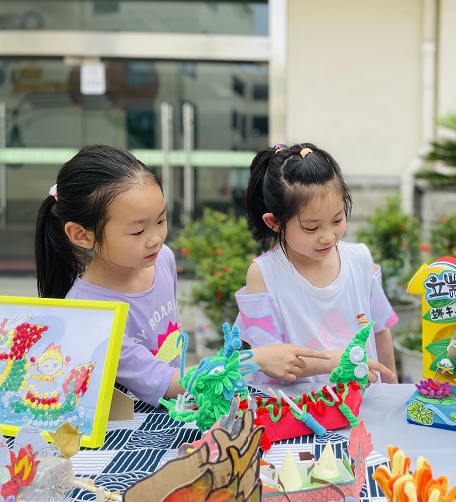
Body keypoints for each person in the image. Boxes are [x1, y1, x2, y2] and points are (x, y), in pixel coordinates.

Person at [35, 145, 331, 406]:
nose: (155, 239)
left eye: (161, 220)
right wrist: (254, 359)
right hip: (129, 430)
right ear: (81, 235)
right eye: (138, 231)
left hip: (176, 408)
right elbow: (162, 380)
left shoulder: (161, 260)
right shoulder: (90, 313)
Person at [235, 142, 399, 384]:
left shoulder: (360, 260)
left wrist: (392, 392)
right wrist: (342, 360)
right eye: (311, 227)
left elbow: (380, 333)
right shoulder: (263, 273)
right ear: (274, 223)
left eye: (337, 220)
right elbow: (272, 360)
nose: (328, 237)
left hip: (366, 405)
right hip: (295, 412)